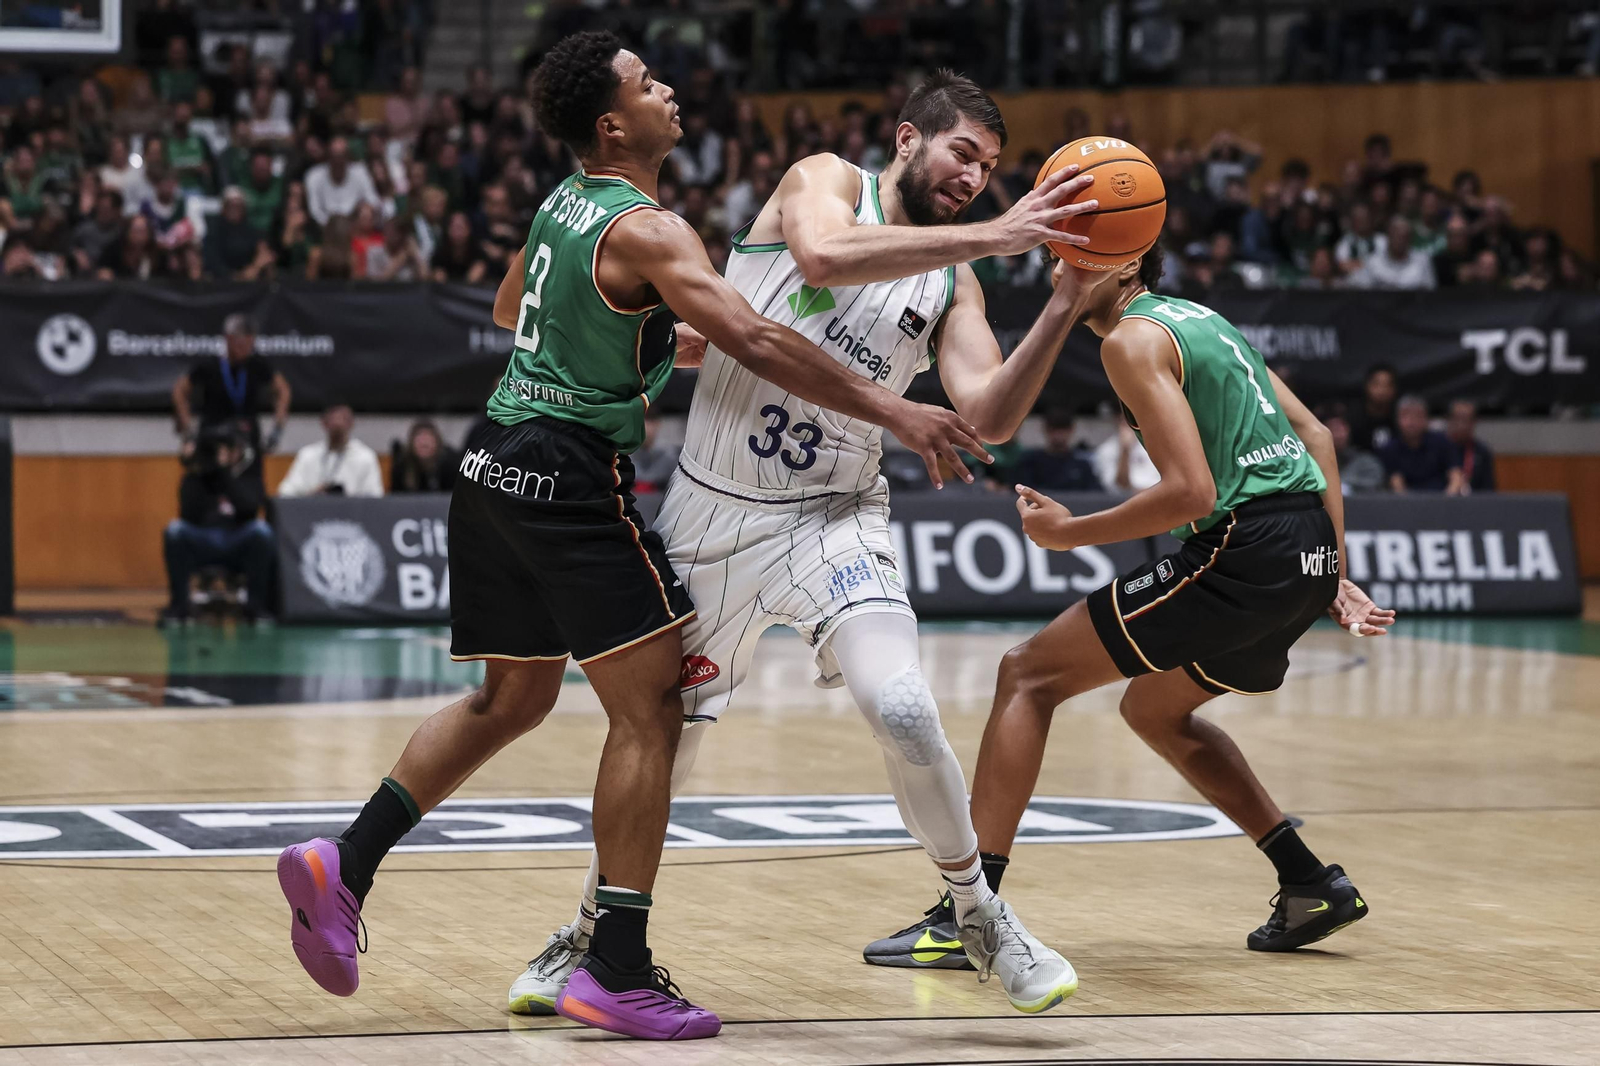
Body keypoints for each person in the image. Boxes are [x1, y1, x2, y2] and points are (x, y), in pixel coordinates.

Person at [274, 31, 991, 1042]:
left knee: (509, 697)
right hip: (567, 479)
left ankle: (344, 861)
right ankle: (612, 964)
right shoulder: (651, 229)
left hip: (489, 464)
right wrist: (896, 411)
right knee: (659, 700)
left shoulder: (564, 203)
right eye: (647, 83)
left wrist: (648, 329)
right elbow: (761, 337)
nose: (668, 91)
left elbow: (510, 301)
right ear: (614, 123)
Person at [509, 60, 1104, 1022]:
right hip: (711, 512)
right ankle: (588, 934)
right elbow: (823, 258)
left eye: (990, 168)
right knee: (663, 738)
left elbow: (988, 411)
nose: (975, 176)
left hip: (836, 517)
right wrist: (1004, 231)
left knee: (905, 706)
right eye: (963, 152)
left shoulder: (956, 281)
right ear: (908, 138)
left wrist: (1066, 301)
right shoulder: (822, 178)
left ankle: (979, 917)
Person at [870, 245, 1395, 966]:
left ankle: (973, 914)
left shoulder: (1131, 339)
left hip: (1240, 548)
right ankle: (1308, 882)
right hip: (1301, 546)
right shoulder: (1205, 320)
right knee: (1152, 710)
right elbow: (1315, 436)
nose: (1058, 275)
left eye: (1071, 261)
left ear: (1123, 268)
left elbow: (1192, 495)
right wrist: (1332, 564)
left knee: (1028, 675)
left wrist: (1068, 533)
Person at [160, 424, 275, 626]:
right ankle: (179, 607)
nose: (221, 453)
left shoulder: (249, 477)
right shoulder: (195, 478)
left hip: (237, 540)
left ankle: (256, 607)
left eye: (227, 448)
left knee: (261, 531)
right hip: (203, 540)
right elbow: (189, 514)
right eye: (217, 449)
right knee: (175, 530)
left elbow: (249, 509)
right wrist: (202, 472)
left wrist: (225, 474)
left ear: (238, 451)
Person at [172, 314, 291, 488]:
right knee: (209, 487)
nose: (246, 349)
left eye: (250, 343)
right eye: (241, 343)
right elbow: (179, 390)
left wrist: (278, 429)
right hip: (213, 437)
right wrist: (187, 429)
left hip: (247, 438)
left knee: (249, 490)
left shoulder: (257, 364)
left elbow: (283, 390)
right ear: (228, 340)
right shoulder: (209, 365)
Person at [276, 404, 385, 498]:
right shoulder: (307, 455)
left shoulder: (365, 457)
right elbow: (285, 493)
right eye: (333, 420)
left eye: (343, 419)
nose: (338, 424)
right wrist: (312, 496)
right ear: (324, 423)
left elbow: (375, 497)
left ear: (351, 424)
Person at [1379, 395, 1464, 494]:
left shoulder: (1442, 442)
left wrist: (1447, 500)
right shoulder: (1391, 448)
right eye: (1405, 416)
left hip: (1441, 498)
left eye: (1417, 416)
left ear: (1426, 419)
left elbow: (1456, 476)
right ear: (1397, 419)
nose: (1411, 422)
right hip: (1407, 503)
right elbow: (1397, 485)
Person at [1012, 408, 1100, 492]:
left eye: (1063, 429)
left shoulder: (1082, 465)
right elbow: (1021, 491)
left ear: (1071, 430)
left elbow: (1095, 494)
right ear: (1045, 429)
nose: (1058, 435)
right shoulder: (1030, 462)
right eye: (1054, 429)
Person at [304, 135, 379, 228]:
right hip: (326, 227)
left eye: (341, 156)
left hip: (355, 224)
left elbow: (374, 201)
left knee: (367, 211)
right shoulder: (314, 176)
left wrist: (365, 208)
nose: (338, 161)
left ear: (348, 157)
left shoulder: (360, 172)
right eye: (334, 156)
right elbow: (315, 211)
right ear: (328, 156)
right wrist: (335, 226)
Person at [1323, 407, 1385, 493]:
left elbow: (1376, 481)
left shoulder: (1366, 462)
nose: (1337, 434)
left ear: (1348, 430)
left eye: (1340, 428)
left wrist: (1347, 486)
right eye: (1332, 428)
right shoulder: (1315, 464)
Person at [389, 419, 457, 493]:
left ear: (438, 442)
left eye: (428, 437)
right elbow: (395, 499)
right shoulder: (401, 466)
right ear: (411, 443)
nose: (424, 442)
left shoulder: (451, 465)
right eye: (419, 436)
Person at [1444, 398, 1494, 493]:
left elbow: (1489, 490)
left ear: (1475, 422)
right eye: (1458, 418)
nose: (1462, 424)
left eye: (1467, 419)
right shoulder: (1438, 448)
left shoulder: (1482, 452)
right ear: (1449, 420)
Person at [1346, 363, 1398, 452]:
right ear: (1366, 386)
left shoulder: (1399, 417)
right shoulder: (1353, 418)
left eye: (1387, 385)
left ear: (1394, 389)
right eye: (1376, 384)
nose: (1382, 391)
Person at [630, 412, 678, 493]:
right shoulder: (620, 458)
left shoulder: (670, 459)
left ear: (657, 424)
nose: (645, 427)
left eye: (648, 421)